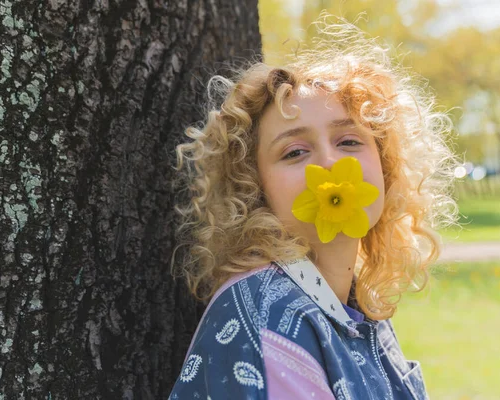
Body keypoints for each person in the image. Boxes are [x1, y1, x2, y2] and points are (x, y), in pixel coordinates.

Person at [169, 15, 458, 400]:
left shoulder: (354, 305)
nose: (329, 163)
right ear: (254, 187)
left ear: (385, 169)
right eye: (295, 151)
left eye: (350, 142)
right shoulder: (265, 316)